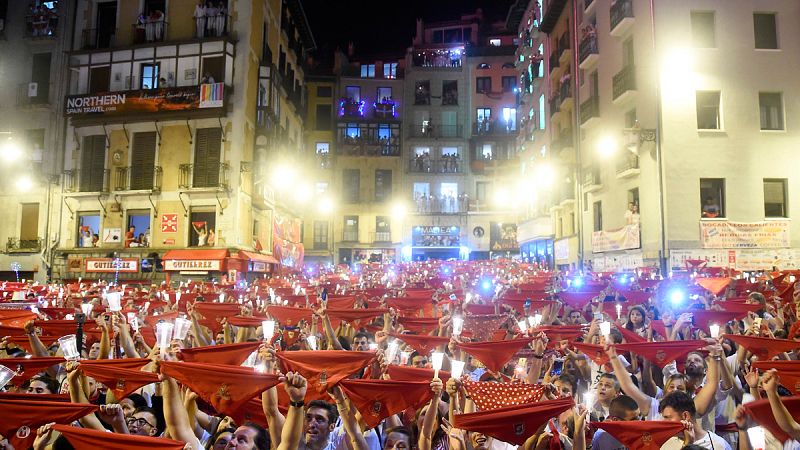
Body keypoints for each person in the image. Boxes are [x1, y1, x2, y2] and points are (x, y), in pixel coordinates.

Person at [659, 391, 732, 450]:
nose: (664, 422)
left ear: (685, 416)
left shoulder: (719, 445)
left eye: (668, 417)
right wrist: (687, 444)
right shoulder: (667, 445)